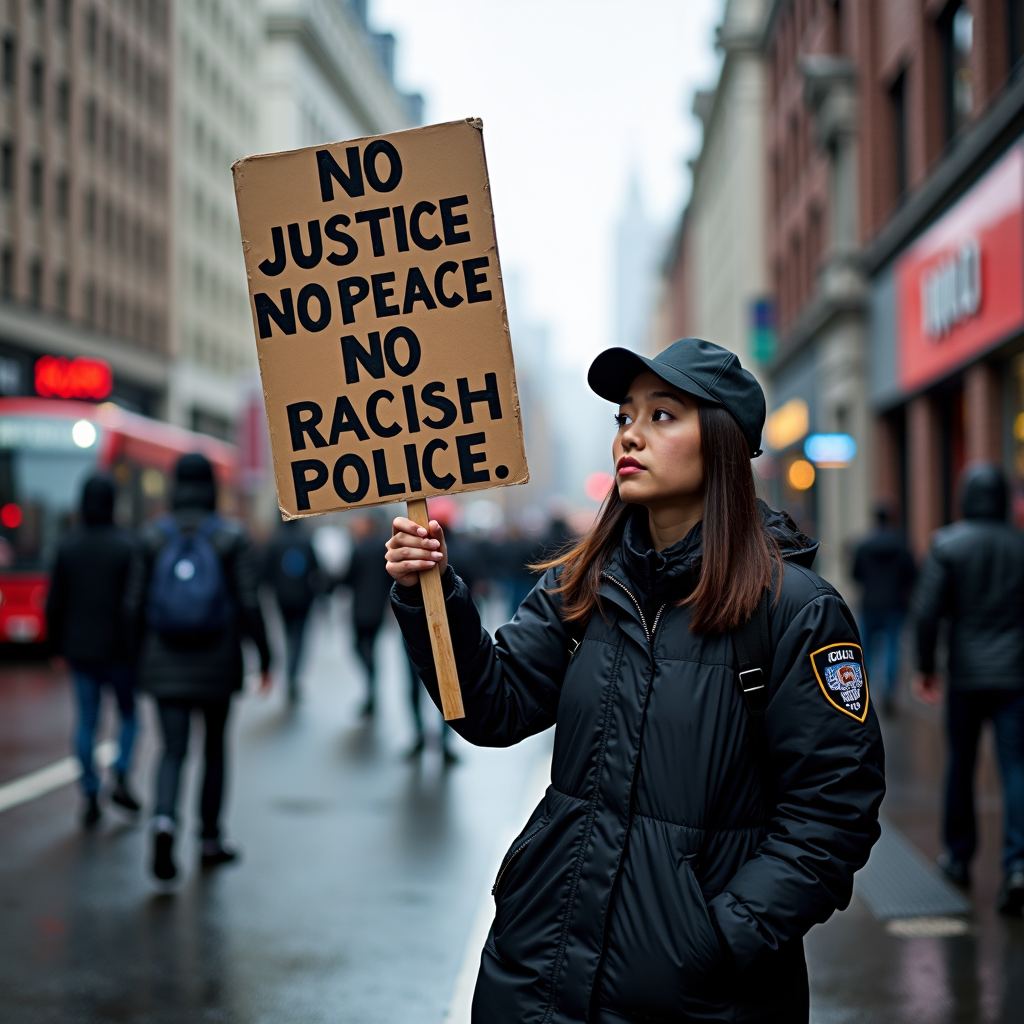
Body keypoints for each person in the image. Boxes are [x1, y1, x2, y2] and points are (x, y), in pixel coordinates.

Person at [387, 338, 885, 1023]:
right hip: (541, 972)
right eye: (625, 418)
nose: (632, 435)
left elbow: (833, 811)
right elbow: (491, 708)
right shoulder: (581, 585)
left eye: (662, 416)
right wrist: (431, 596)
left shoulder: (796, 611)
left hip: (700, 997)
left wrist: (719, 938)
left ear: (723, 441)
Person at [124, 453, 271, 882]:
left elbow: (133, 605)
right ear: (211, 486)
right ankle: (210, 839)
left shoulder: (152, 536)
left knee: (171, 750)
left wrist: (135, 660)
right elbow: (248, 601)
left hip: (163, 660)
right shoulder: (230, 536)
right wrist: (265, 657)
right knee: (214, 751)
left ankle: (164, 821)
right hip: (218, 661)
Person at [912, 462, 1024, 916]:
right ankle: (1017, 865)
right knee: (1016, 765)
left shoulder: (948, 543)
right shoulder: (1020, 546)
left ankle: (959, 857)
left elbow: (926, 612)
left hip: (967, 674)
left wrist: (925, 668)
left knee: (961, 763)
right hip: (1016, 674)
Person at [46, 476, 140, 827]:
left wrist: (55, 647)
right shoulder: (127, 545)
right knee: (129, 715)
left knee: (86, 721)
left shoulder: (68, 546)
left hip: (80, 650)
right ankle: (121, 770)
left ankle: (89, 792)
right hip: (120, 651)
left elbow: (54, 604)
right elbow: (136, 604)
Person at [852, 501, 916, 715]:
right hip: (894, 604)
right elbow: (912, 574)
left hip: (869, 603)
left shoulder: (864, 544)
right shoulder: (901, 544)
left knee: (866, 650)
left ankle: (864, 691)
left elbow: (855, 574)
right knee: (892, 648)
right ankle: (888, 690)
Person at [263, 518, 322, 703]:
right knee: (299, 636)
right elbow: (316, 568)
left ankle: (290, 672)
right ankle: (293, 674)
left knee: (288, 635)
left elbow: (265, 572)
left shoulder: (274, 541)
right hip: (303, 597)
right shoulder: (306, 539)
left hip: (282, 598)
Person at [342, 514, 394, 718]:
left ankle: (371, 684)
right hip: (378, 608)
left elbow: (348, 577)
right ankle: (372, 686)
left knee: (359, 647)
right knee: (370, 648)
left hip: (361, 609)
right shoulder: (384, 548)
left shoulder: (360, 548)